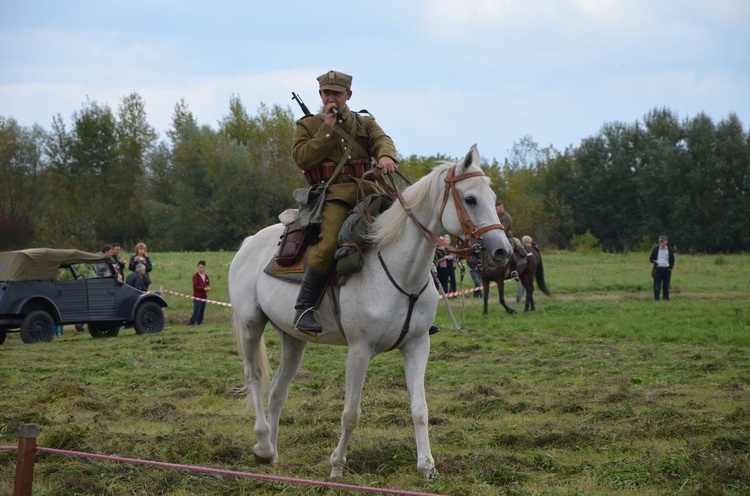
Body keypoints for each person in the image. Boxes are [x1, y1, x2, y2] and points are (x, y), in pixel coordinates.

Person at [291, 70, 398, 333]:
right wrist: (326, 129)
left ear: (348, 95)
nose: (331, 98)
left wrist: (386, 156)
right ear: (320, 95)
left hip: (370, 192)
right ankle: (304, 307)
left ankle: (416, 305)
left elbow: (382, 140)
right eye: (327, 93)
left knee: (407, 227)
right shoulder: (308, 126)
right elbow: (302, 159)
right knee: (328, 244)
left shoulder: (364, 123)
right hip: (333, 195)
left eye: (336, 94)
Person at [496, 202, 529, 280]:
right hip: (497, 238)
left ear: (501, 206)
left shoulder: (506, 217)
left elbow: (503, 229)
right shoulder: (495, 216)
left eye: (496, 208)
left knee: (510, 250)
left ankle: (514, 270)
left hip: (507, 238)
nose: (495, 209)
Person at [649, 234, 675, 301]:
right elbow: (651, 258)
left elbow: (672, 259)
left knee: (666, 286)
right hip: (658, 269)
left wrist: (670, 267)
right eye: (660, 241)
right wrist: (654, 261)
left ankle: (665, 298)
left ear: (666, 242)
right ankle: (656, 299)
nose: (661, 243)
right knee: (657, 285)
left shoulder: (669, 249)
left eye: (662, 241)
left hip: (666, 269)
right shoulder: (656, 249)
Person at [188, 260, 210, 325]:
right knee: (196, 313)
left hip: (204, 297)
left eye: (203, 267)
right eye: (200, 267)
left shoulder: (206, 276)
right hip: (197, 297)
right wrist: (204, 288)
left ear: (205, 267)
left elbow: (208, 284)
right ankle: (191, 324)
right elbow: (196, 287)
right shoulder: (195, 276)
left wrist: (208, 288)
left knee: (201, 313)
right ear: (198, 267)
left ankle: (199, 324)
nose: (201, 269)